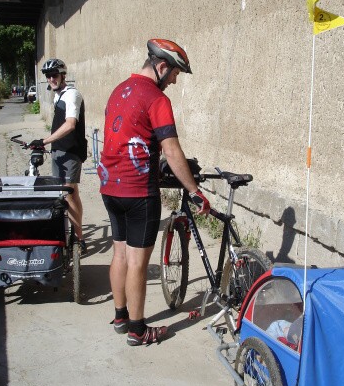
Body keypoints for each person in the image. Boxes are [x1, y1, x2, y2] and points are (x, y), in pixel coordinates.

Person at [99, 39, 210, 346]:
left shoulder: (118, 90)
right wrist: (194, 190)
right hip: (138, 193)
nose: (174, 80)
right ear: (162, 67)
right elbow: (171, 149)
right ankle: (138, 330)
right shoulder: (156, 98)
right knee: (136, 260)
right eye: (175, 73)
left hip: (110, 187)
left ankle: (121, 316)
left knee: (119, 252)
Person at [29, 58, 87, 253]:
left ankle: (79, 240)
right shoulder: (58, 95)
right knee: (61, 193)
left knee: (70, 194)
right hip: (58, 150)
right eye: (48, 76)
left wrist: (45, 140)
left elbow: (71, 124)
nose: (51, 79)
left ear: (63, 75)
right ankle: (65, 233)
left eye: (54, 75)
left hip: (70, 151)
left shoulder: (72, 95)